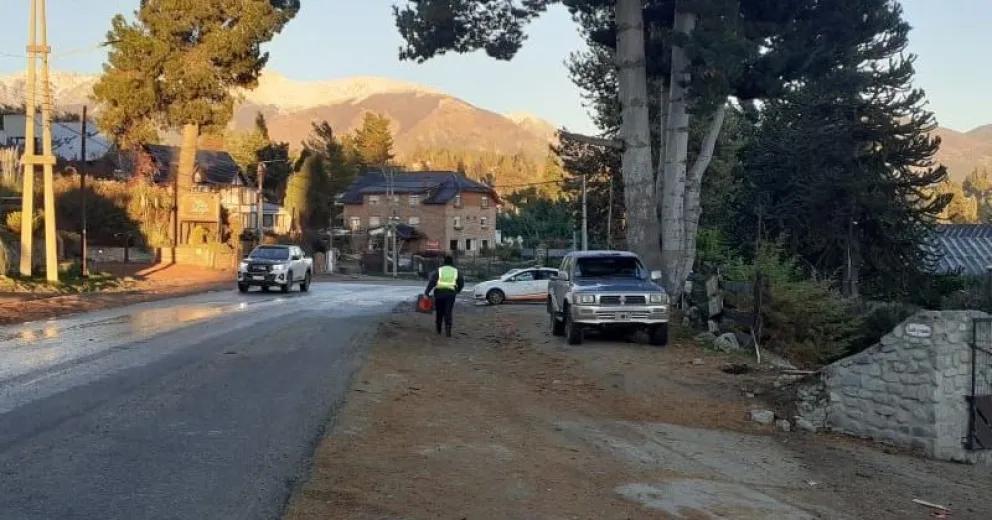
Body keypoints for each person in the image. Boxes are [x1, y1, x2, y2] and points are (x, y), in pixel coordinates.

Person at [425, 254, 464, 337]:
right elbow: (461, 282)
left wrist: (427, 292)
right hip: (450, 294)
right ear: (452, 262)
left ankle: (438, 328)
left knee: (439, 311)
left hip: (439, 294)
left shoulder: (440, 270)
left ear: (444, 262)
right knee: (448, 311)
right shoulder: (455, 271)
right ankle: (448, 328)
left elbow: (432, 281)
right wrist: (458, 290)